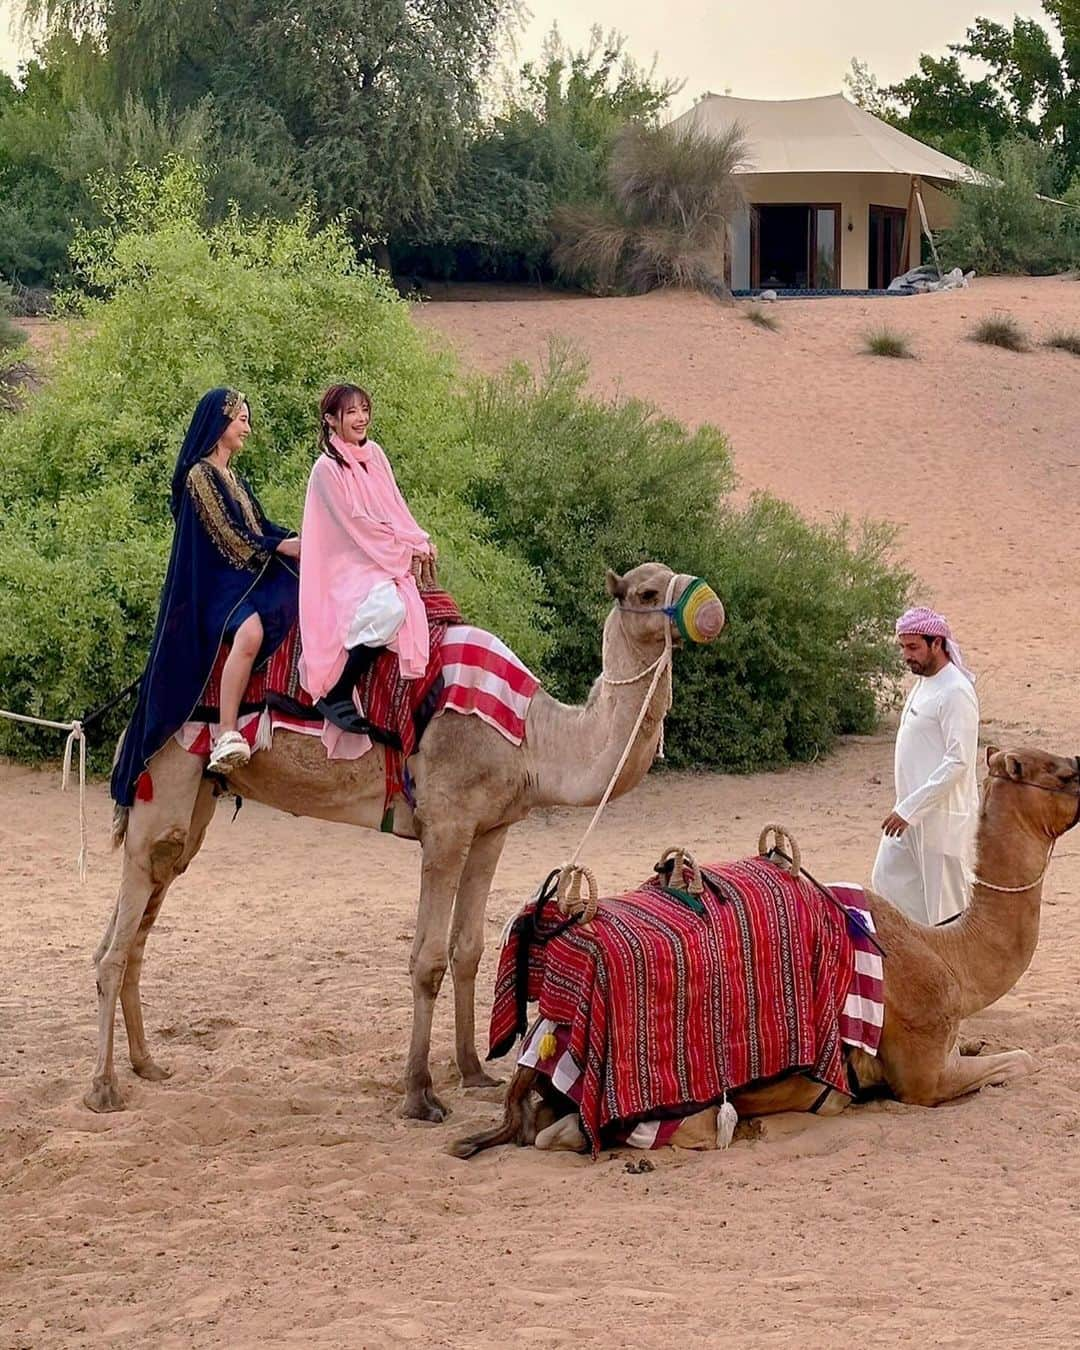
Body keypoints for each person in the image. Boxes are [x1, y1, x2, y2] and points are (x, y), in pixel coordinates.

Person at [111, 388, 300, 805]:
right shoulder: (200, 476)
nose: (248, 428)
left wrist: (290, 539)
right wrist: (278, 547)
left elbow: (259, 524)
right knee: (249, 633)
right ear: (220, 424)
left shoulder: (235, 477)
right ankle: (227, 731)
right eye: (242, 419)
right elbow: (228, 536)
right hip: (215, 589)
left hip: (240, 580)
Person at [298, 383, 434, 735]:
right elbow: (355, 525)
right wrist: (403, 551)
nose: (361, 419)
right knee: (392, 608)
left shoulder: (374, 454)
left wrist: (418, 539)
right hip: (346, 561)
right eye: (351, 412)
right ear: (330, 420)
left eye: (364, 409)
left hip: (377, 554)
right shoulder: (326, 469)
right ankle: (340, 687)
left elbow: (395, 507)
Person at [871, 606, 980, 926]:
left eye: (913, 647)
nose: (906, 655)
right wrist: (906, 809)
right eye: (903, 647)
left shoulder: (956, 691)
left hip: (941, 820)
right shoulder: (923, 684)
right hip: (907, 817)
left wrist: (911, 809)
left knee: (946, 911)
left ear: (937, 644)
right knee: (888, 881)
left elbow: (958, 761)